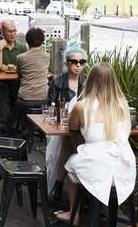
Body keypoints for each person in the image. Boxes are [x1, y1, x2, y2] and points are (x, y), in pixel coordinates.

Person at [55, 62, 136, 224]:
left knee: (71, 164)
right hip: (124, 167)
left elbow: (72, 126)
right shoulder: (123, 105)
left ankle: (74, 214)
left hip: (97, 165)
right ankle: (108, 211)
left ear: (90, 80)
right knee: (91, 162)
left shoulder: (82, 106)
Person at [46, 41, 87, 201]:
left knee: (69, 140)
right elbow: (50, 107)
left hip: (82, 128)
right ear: (66, 63)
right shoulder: (57, 82)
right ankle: (70, 188)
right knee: (66, 139)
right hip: (60, 127)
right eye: (74, 62)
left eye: (82, 62)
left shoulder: (87, 82)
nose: (78, 65)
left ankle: (59, 182)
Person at [0, 20, 27, 131]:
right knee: (1, 88)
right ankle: (4, 122)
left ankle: (13, 122)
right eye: (9, 31)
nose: (12, 34)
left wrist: (6, 67)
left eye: (14, 31)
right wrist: (0, 50)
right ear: (3, 32)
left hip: (16, 81)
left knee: (19, 89)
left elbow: (23, 67)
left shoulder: (22, 47)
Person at [17, 28, 50, 105]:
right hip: (44, 98)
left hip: (25, 98)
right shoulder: (47, 56)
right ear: (42, 41)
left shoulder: (20, 57)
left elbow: (19, 73)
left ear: (27, 41)